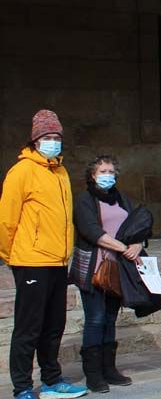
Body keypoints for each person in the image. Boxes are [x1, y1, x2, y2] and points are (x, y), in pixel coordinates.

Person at [0, 111, 88, 399]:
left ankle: (52, 380)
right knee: (28, 327)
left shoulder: (60, 171)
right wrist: (11, 255)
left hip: (58, 260)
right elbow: (6, 219)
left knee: (54, 324)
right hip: (31, 260)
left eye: (57, 138)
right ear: (35, 140)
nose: (53, 142)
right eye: (47, 138)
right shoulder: (22, 171)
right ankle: (22, 387)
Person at [70, 155, 141, 392]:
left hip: (117, 269)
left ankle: (109, 368)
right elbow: (91, 230)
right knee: (96, 318)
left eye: (111, 171)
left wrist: (137, 245)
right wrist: (122, 247)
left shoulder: (121, 198)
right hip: (93, 267)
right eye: (102, 171)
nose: (107, 175)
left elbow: (138, 224)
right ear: (92, 175)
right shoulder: (84, 200)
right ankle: (93, 373)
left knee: (110, 318)